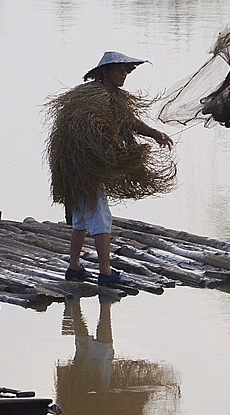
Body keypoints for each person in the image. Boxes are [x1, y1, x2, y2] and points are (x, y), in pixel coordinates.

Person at [45, 52, 176, 287]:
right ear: (105, 72)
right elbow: (89, 128)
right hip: (82, 169)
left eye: (126, 71)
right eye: (119, 70)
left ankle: (74, 268)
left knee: (81, 221)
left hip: (85, 169)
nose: (124, 74)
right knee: (100, 219)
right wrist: (113, 143)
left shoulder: (114, 97)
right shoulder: (92, 98)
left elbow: (130, 122)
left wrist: (155, 134)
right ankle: (105, 274)